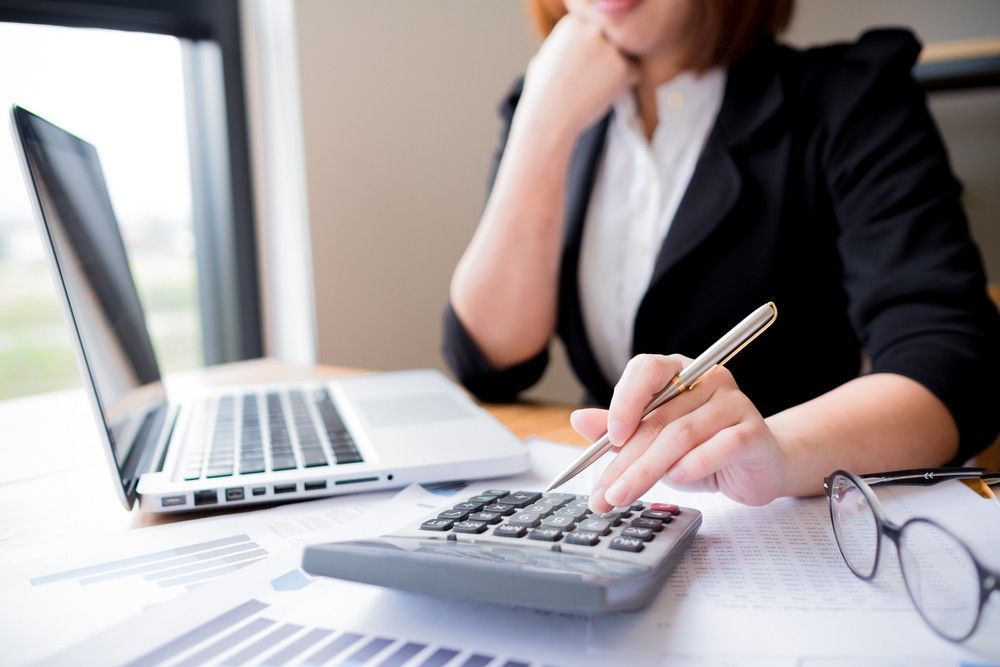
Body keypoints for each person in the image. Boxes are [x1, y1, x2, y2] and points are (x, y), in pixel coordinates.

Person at [442, 0, 1000, 513]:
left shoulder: (849, 97)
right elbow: (492, 360)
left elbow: (951, 365)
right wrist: (543, 121)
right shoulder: (552, 103)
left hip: (791, 519)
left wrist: (776, 450)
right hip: (615, 506)